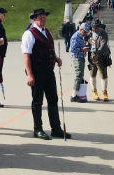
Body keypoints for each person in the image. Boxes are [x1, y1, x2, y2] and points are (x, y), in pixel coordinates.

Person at [21, 8, 71, 140]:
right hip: (37, 71)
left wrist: (56, 58)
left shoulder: (46, 31)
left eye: (44, 17)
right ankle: (37, 129)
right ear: (34, 19)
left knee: (53, 99)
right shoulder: (29, 34)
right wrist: (29, 74)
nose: (43, 19)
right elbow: (26, 55)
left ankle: (56, 128)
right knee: (37, 101)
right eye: (40, 17)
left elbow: (49, 48)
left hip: (49, 70)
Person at [89, 19, 111, 101]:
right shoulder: (91, 32)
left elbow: (103, 44)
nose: (93, 29)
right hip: (92, 55)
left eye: (95, 28)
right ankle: (94, 91)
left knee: (103, 74)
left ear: (98, 27)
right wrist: (88, 40)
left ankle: (104, 92)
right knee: (92, 74)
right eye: (93, 28)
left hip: (101, 56)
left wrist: (97, 54)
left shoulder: (103, 33)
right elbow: (87, 39)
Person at [69, 23, 90, 102]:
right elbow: (73, 49)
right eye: (85, 32)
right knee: (78, 76)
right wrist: (83, 49)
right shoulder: (75, 37)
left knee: (81, 75)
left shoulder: (81, 36)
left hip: (81, 58)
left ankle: (79, 94)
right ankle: (74, 96)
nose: (85, 34)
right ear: (80, 29)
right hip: (77, 58)